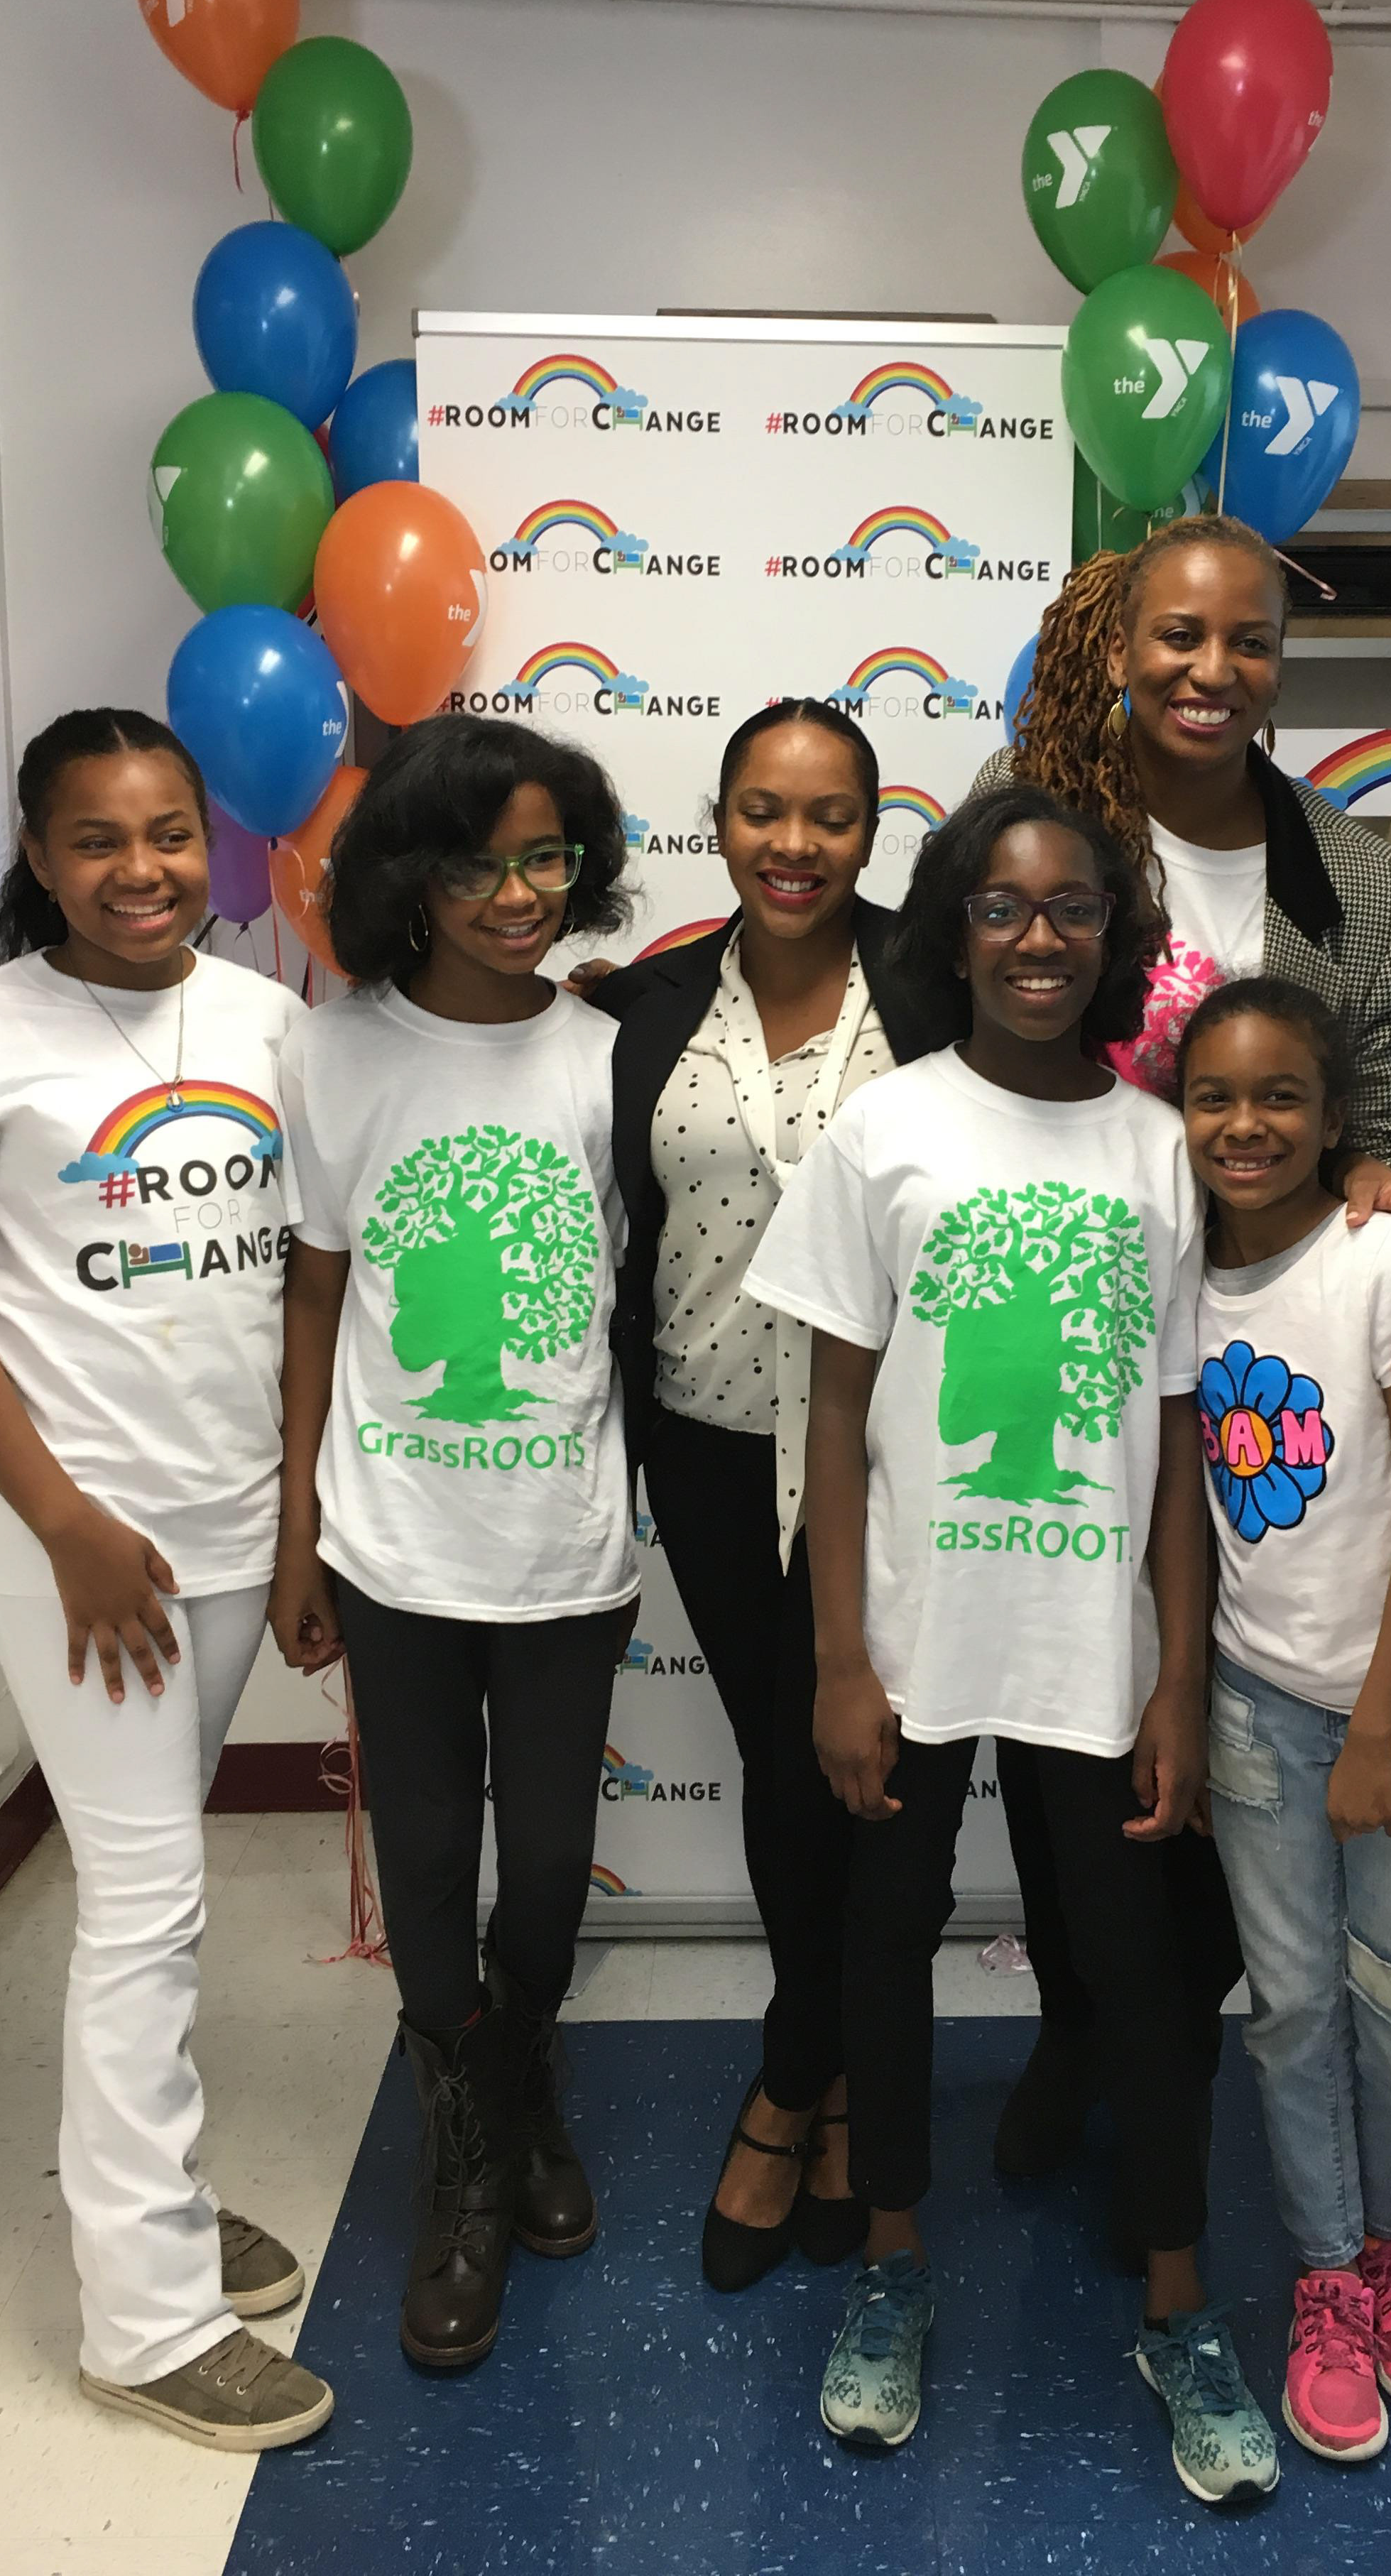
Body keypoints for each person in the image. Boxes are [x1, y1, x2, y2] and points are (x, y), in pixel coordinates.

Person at [745, 785, 1280, 2508]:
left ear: (1115, 936)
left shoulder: (1155, 1148)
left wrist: (1180, 1679)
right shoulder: (884, 1136)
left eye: (1072, 910)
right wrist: (839, 1659)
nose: (1038, 938)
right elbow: (832, 1417)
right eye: (1001, 907)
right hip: (914, 1640)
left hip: (1094, 1645)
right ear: (952, 930)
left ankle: (1182, 2308)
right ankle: (894, 2267)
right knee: (879, 1952)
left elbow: (1186, 1433)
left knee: (1140, 1974)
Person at [974, 514, 1391, 2188]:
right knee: (1079, 1722)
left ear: (1285, 659)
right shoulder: (1053, 847)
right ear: (1121, 647)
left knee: (1240, 1730)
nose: (1214, 673)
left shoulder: (1364, 884)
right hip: (1072, 1339)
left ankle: (1173, 2066)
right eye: (1181, 638)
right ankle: (1084, 2028)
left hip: (1274, 1366)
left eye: (1251, 642)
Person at [0, 708, 332, 2452]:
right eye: (96, 840)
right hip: (79, 1554)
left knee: (154, 1892)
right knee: (148, 1903)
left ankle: (129, 2189)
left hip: (224, 1534)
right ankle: (144, 2319)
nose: (139, 871)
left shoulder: (269, 1021)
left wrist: (295, 1530)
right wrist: (67, 1525)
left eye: (166, 835)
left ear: (206, 842)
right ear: (38, 850)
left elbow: (298, 1293)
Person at [270, 718, 638, 2374]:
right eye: (481, 860)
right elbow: (321, 1298)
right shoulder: (335, 1055)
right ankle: (473, 2161)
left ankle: (520, 2066)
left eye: (548, 856)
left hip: (564, 1545)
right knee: (426, 1861)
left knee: (548, 1872)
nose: (517, 892)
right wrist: (298, 1536)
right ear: (410, 875)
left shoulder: (609, 1052)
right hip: (393, 1541)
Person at [584, 698, 938, 2290]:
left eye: (832, 817)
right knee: (786, 1778)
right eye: (763, 812)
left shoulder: (936, 989)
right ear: (719, 822)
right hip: (714, 1450)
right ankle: (837, 2072)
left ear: (875, 831)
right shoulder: (649, 1009)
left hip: (898, 1455)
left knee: (883, 1789)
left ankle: (798, 2085)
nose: (795, 845)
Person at [1179, 974, 1391, 2465]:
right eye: (1217, 1098)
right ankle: (1325, 2275)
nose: (1247, 1126)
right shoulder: (1181, 1270)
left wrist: (1374, 1731)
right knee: (1296, 2007)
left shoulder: (1389, 1266)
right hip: (1259, 1705)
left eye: (1282, 1098)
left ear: (1333, 1119)